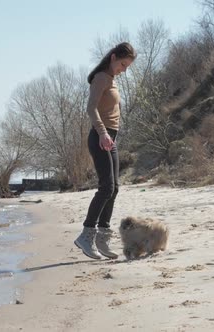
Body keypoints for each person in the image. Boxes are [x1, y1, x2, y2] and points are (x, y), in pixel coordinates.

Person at [74, 42, 136, 260]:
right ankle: (86, 235)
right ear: (113, 57)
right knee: (106, 187)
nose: (124, 69)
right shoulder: (101, 77)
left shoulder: (112, 80)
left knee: (115, 188)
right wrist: (102, 133)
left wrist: (112, 134)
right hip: (101, 137)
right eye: (122, 64)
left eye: (127, 66)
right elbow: (91, 108)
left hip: (111, 138)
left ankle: (102, 238)